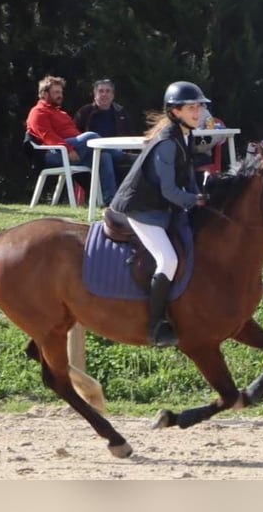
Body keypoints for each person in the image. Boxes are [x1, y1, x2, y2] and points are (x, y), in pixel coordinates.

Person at [109, 81, 209, 348]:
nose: (198, 112)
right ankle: (155, 325)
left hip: (159, 208)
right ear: (175, 112)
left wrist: (202, 193)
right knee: (168, 259)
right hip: (141, 210)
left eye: (199, 106)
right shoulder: (167, 143)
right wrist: (194, 200)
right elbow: (170, 192)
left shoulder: (184, 135)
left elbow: (187, 177)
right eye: (191, 107)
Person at [25, 75, 117, 205]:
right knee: (90, 136)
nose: (60, 95)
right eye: (56, 92)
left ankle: (110, 202)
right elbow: (47, 136)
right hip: (53, 153)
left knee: (105, 157)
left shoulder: (61, 113)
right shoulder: (38, 112)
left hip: (71, 150)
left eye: (61, 92)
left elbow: (74, 134)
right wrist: (68, 149)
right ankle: (121, 155)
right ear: (44, 94)